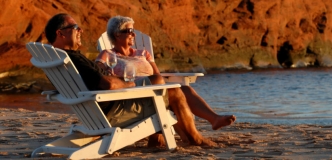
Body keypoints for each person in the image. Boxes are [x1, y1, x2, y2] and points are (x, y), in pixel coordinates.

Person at [44, 13, 215, 146]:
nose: (80, 30)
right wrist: (131, 83)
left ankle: (158, 140)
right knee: (174, 92)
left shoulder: (59, 59)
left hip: (93, 112)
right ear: (60, 33)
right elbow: (108, 84)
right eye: (75, 27)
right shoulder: (74, 59)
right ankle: (195, 139)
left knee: (158, 88)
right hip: (113, 112)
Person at [95, 15, 236, 130]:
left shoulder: (143, 53)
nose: (133, 34)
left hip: (153, 89)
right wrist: (110, 72)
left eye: (133, 31)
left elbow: (157, 75)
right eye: (128, 31)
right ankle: (192, 133)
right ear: (117, 34)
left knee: (184, 89)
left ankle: (214, 119)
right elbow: (97, 70)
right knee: (179, 93)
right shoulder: (108, 54)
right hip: (132, 95)